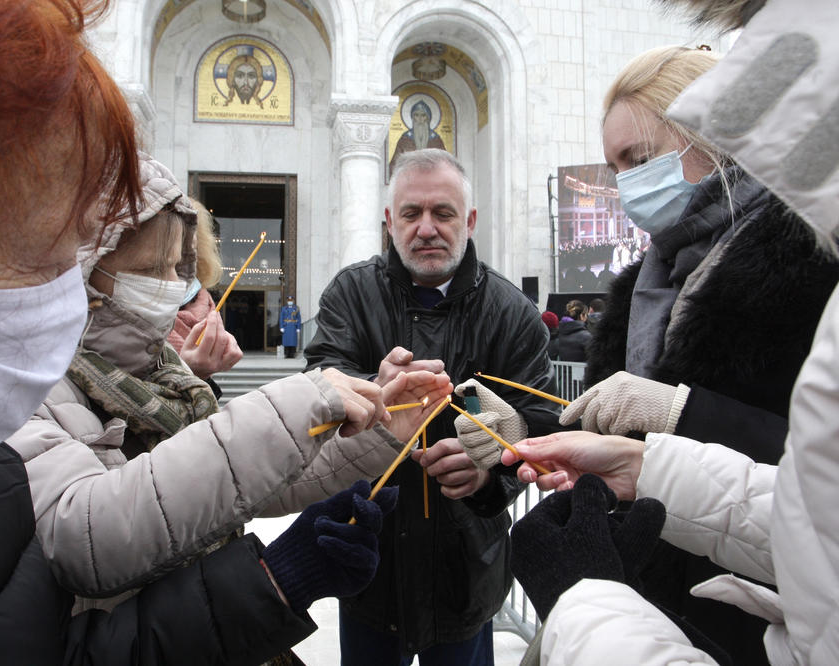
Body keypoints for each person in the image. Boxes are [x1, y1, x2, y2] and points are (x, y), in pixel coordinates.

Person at [0, 3, 409, 662]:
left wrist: (378, 435)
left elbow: (231, 485)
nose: (60, 283)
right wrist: (295, 411)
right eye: (40, 246)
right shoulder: (0, 407)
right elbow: (96, 533)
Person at [9, 153, 454, 619]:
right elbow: (85, 537)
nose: (172, 287)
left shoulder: (162, 375)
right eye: (151, 269)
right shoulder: (26, 383)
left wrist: (378, 432)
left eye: (177, 270)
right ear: (82, 271)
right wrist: (293, 403)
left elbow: (245, 485)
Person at [557, 44, 839, 664]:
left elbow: (818, 469)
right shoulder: (641, 284)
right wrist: (518, 431)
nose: (627, 184)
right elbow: (618, 427)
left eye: (640, 158)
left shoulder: (813, 256)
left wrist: (685, 413)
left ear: (712, 136)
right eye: (616, 167)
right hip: (650, 597)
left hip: (761, 610)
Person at [305, 148, 559, 664]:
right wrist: (368, 393)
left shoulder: (511, 313)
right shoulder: (349, 295)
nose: (426, 229)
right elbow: (318, 388)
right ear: (388, 222)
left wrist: (489, 473)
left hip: (465, 565)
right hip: (371, 558)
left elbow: (538, 427)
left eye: (442, 213)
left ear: (468, 221)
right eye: (410, 214)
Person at [167, 197, 242, 396]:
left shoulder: (203, 303)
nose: (172, 279)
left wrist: (196, 376)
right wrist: (187, 375)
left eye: (178, 265)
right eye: (152, 267)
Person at [388, 100, 447, 176]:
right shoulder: (405, 138)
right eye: (416, 115)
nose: (420, 119)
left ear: (428, 118)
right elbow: (395, 163)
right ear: (412, 118)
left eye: (423, 115)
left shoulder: (436, 139)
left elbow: (445, 163)